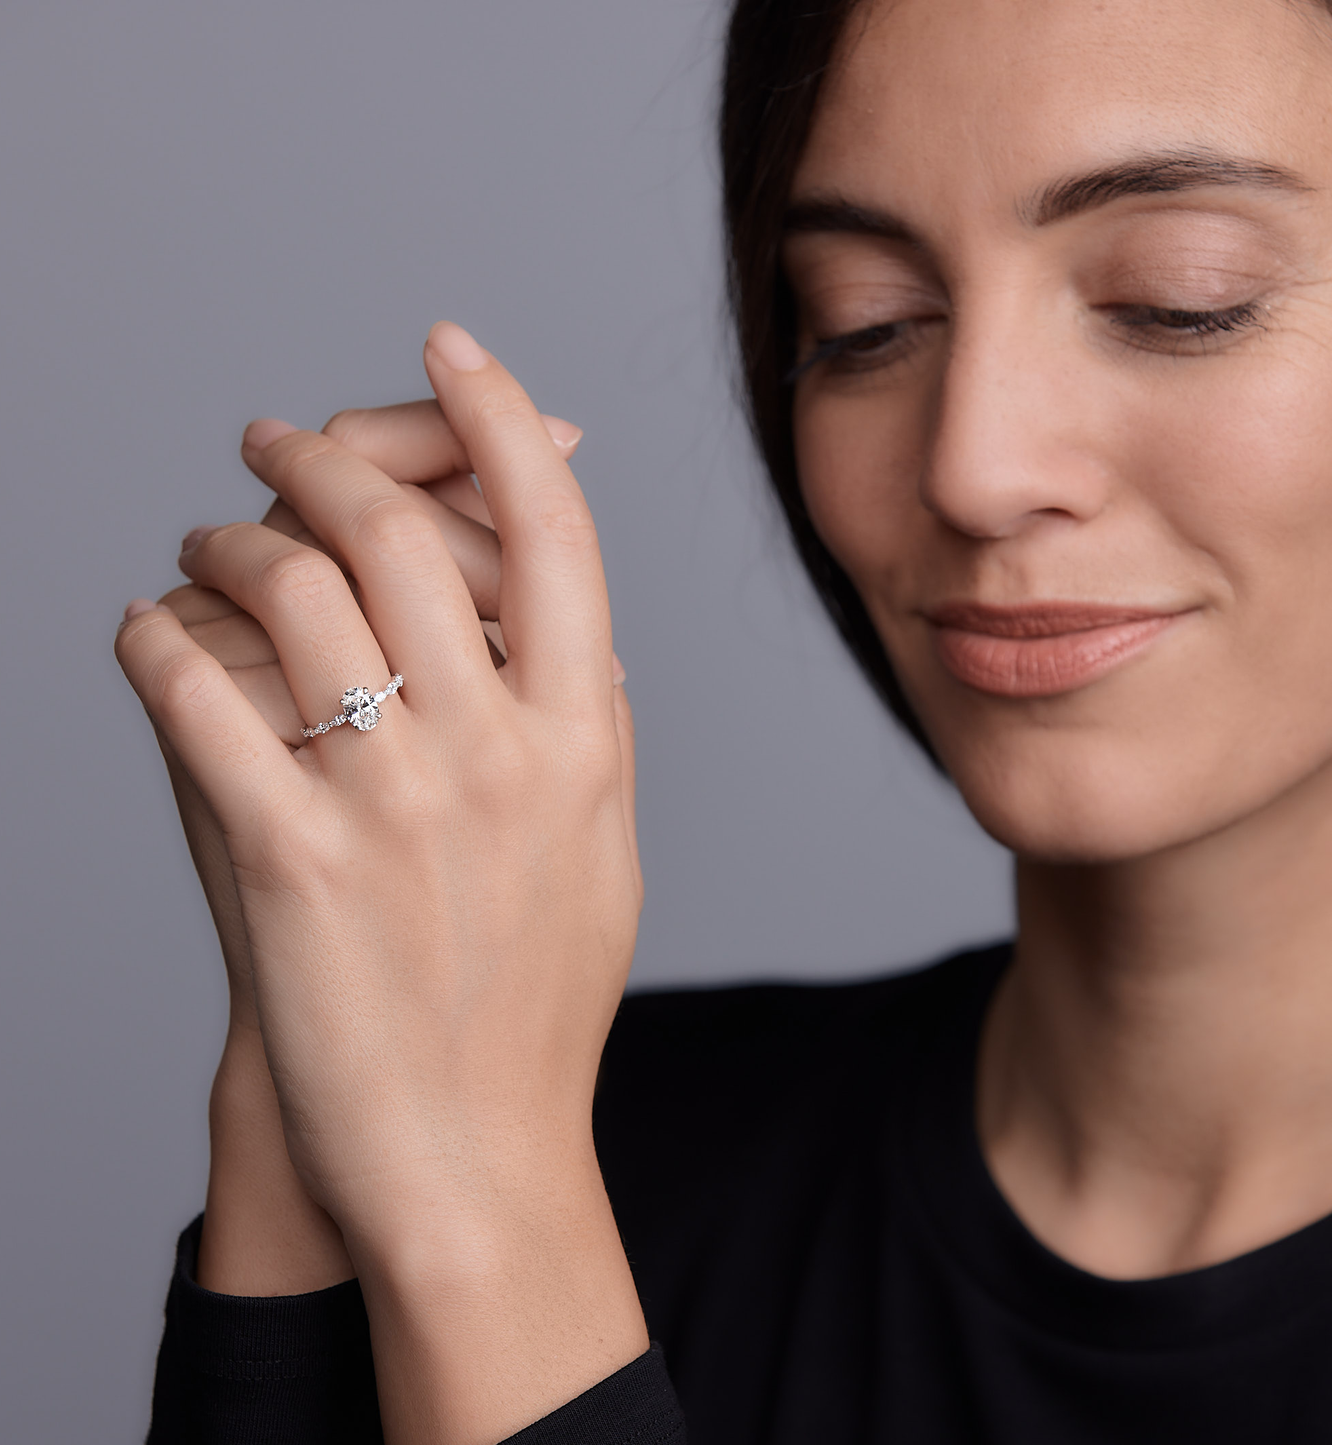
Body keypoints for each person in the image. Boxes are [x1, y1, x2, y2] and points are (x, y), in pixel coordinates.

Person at [115, 0, 1332, 1439]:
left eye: (1177, 298)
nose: (974, 464)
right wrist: (311, 1044)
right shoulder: (597, 1131)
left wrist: (490, 1228)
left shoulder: (512, 1160)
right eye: (866, 323)